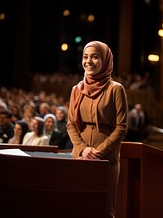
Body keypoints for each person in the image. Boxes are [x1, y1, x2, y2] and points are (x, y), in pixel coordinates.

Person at [67, 40, 128, 218]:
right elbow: (71, 124)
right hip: (80, 156)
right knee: (80, 207)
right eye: (85, 57)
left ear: (106, 60)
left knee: (104, 211)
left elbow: (122, 127)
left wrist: (98, 152)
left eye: (95, 57)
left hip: (106, 159)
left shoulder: (116, 89)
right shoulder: (76, 89)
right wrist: (83, 149)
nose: (89, 61)